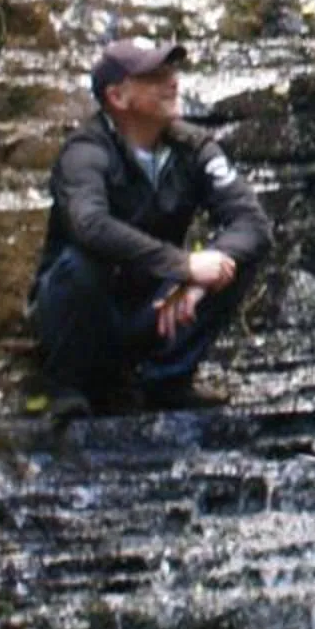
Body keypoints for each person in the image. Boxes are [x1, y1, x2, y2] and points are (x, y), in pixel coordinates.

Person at [29, 37, 271, 419]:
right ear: (118, 97)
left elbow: (252, 224)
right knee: (80, 264)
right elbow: (90, 225)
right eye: (154, 76)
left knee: (230, 260)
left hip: (155, 307)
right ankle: (68, 386)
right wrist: (182, 265)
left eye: (171, 72)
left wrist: (197, 278)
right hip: (88, 315)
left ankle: (167, 380)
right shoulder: (84, 152)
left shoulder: (194, 147)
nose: (172, 82)